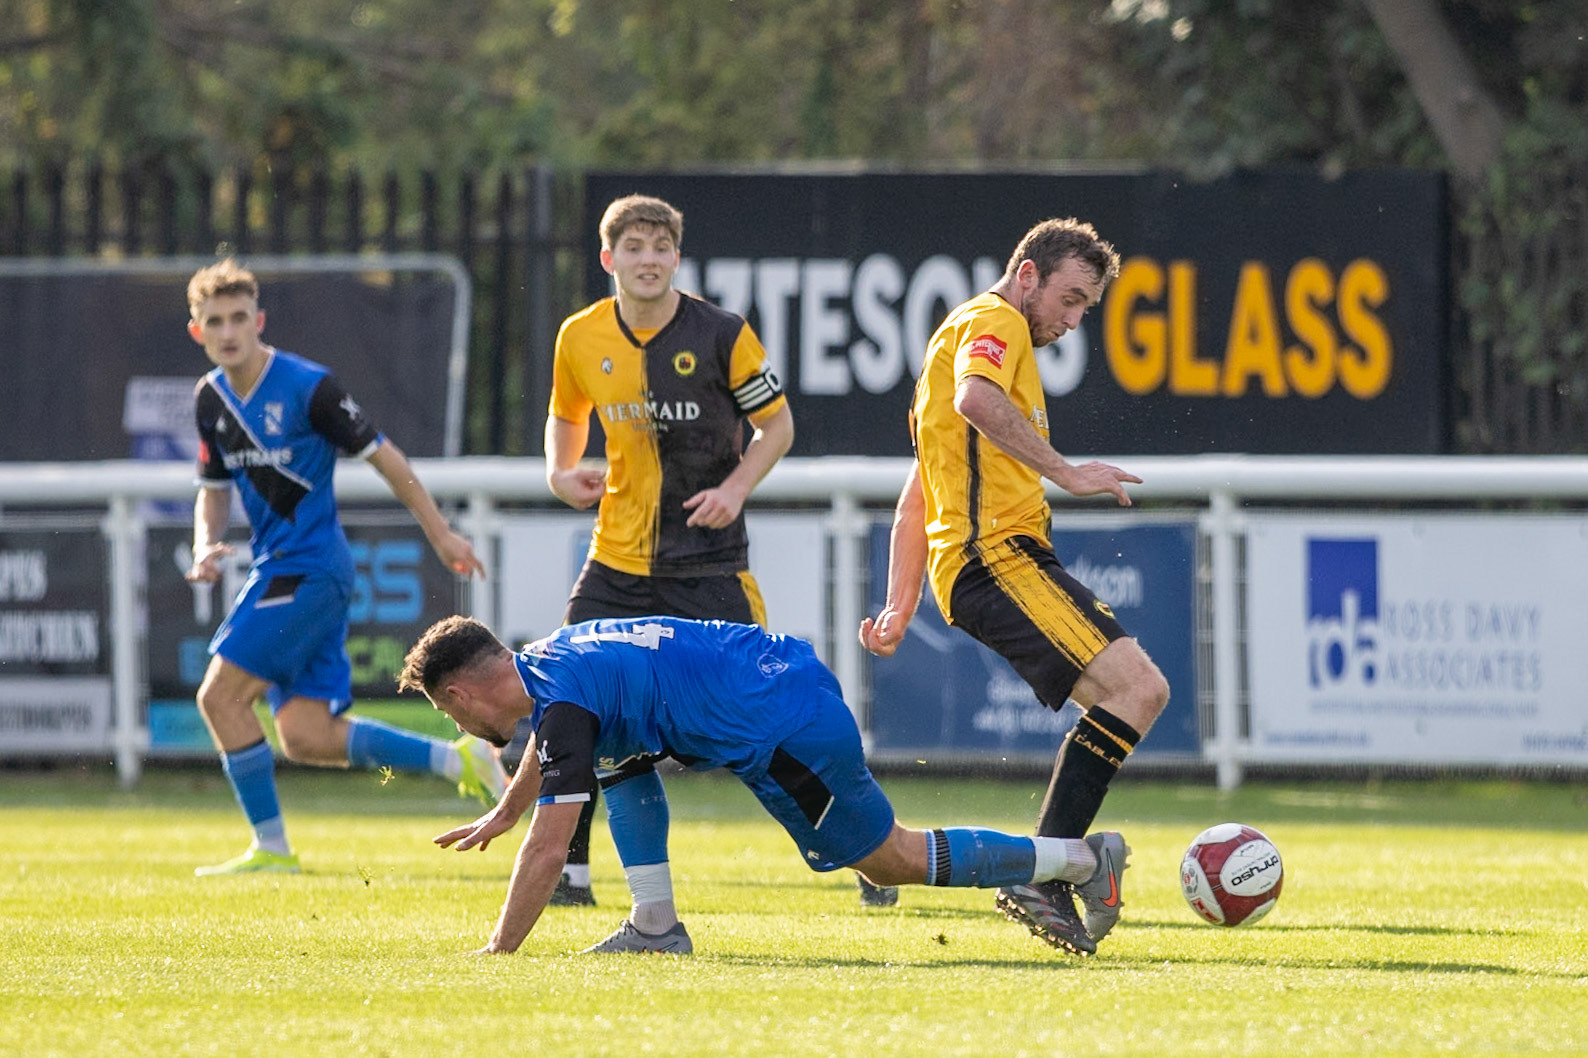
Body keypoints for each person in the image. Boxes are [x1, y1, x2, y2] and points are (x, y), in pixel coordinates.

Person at [516, 193, 892, 942]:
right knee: (568, 705)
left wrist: (734, 488)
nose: (647, 258)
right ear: (608, 258)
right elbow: (565, 418)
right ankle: (574, 874)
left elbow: (777, 424)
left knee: (775, 721)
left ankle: (871, 856)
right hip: (617, 559)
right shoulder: (579, 335)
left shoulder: (720, 333)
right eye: (634, 246)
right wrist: (562, 475)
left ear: (676, 258)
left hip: (709, 561)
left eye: (660, 246)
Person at [402, 614, 1114, 956]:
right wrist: (506, 808)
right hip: (778, 679)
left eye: (447, 713)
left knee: (890, 857)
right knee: (622, 759)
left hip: (783, 732)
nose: (458, 727)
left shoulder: (560, 702)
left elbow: (549, 851)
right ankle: (655, 924)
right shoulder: (556, 659)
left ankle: (1080, 860)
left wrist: (499, 951)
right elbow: (567, 751)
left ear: (462, 695)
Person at [858, 217, 1170, 956]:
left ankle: (1070, 863)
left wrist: (902, 600)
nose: (1072, 321)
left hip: (985, 560)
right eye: (1069, 300)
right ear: (1026, 274)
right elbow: (974, 402)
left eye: (1085, 309)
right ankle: (1051, 867)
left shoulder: (976, 338)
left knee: (1119, 702)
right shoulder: (993, 322)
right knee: (1141, 690)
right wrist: (1067, 471)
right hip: (995, 557)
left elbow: (919, 488)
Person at [183, 257, 505, 876]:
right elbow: (214, 486)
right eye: (214, 321)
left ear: (259, 321)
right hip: (279, 569)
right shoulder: (210, 399)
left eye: (239, 318)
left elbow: (386, 458)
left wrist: (440, 534)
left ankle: (272, 851)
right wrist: (205, 544)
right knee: (305, 734)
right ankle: (459, 761)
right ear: (197, 330)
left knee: (220, 698)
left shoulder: (308, 387)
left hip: (311, 570)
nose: (228, 332)